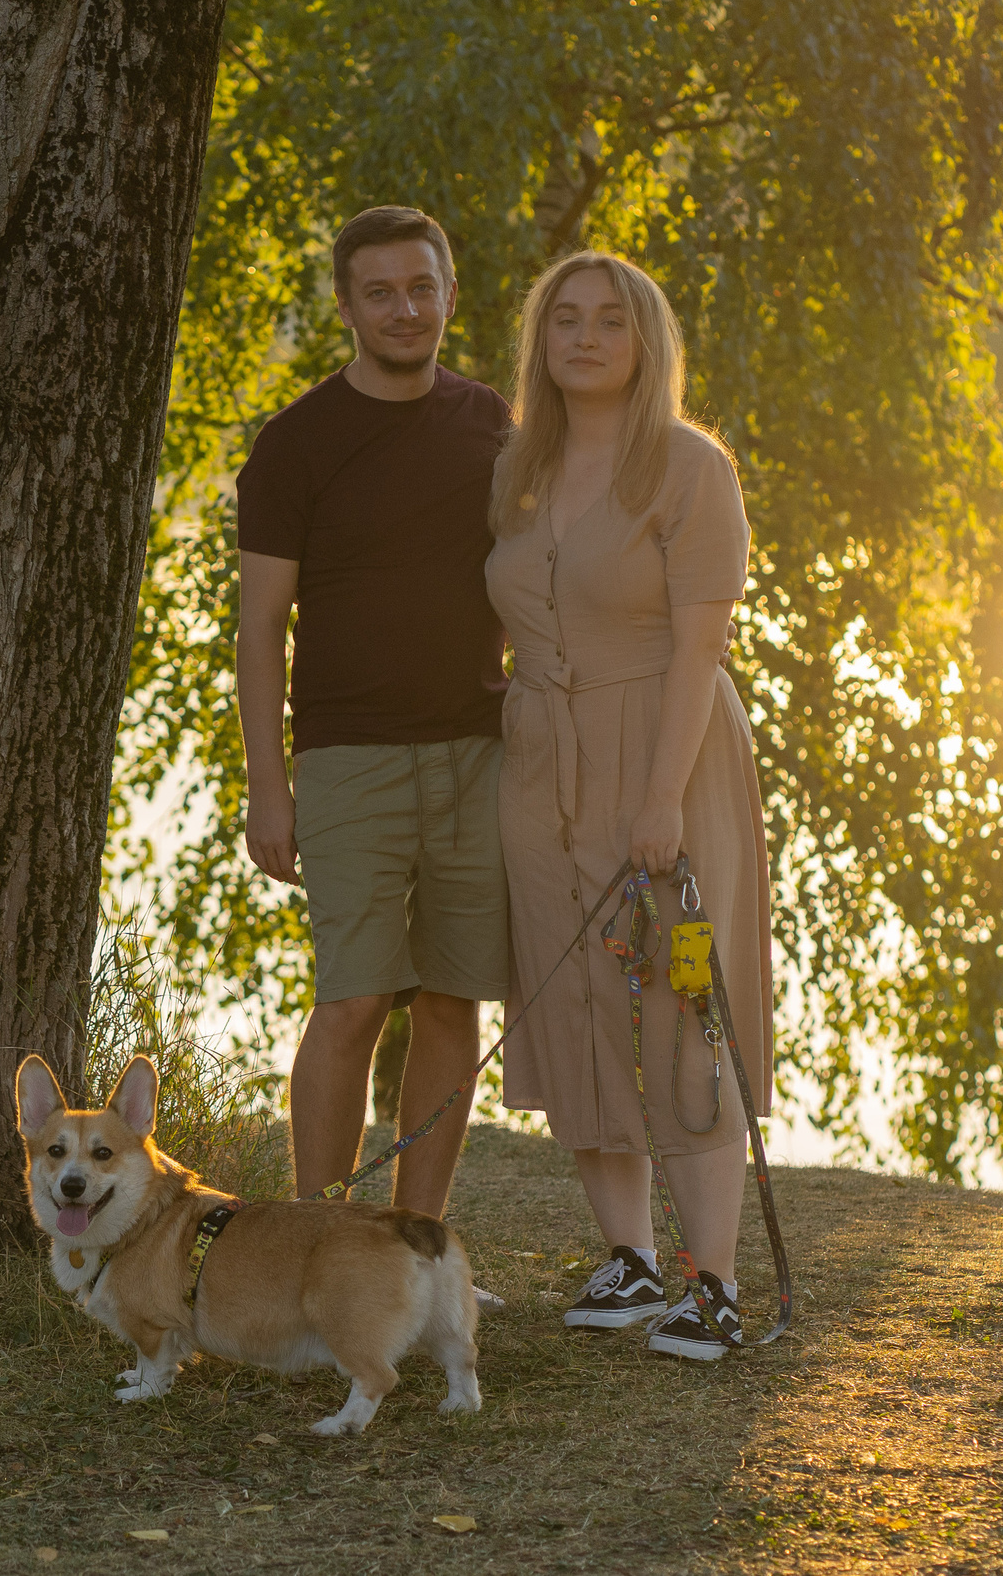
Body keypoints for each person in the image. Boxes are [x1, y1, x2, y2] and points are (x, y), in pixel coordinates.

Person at [487, 249, 775, 1362]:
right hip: (540, 772)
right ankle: (627, 1256)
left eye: (612, 320)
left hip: (671, 758)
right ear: (540, 340)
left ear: (646, 341)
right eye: (565, 319)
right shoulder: (514, 467)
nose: (587, 337)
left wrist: (660, 800)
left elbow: (700, 648)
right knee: (576, 1006)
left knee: (683, 1009)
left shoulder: (689, 468)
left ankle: (714, 1283)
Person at [235, 205, 511, 1231]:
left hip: (479, 756)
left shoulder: (493, 424)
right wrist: (271, 785)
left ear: (448, 293)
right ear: (347, 305)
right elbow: (261, 629)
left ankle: (415, 1234)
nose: (406, 309)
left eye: (422, 287)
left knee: (452, 999)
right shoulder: (296, 444)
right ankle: (319, 1234)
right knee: (352, 1000)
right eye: (381, 292)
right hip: (348, 761)